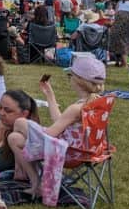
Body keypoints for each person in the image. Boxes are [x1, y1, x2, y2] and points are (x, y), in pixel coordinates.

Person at [8, 56, 107, 198]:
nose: (69, 79)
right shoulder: (97, 103)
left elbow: (50, 134)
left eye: (70, 76)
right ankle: (35, 182)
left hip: (69, 153)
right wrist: (49, 94)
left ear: (78, 81)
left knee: (19, 123)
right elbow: (60, 121)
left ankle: (29, 177)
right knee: (14, 138)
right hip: (87, 150)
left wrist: (28, 127)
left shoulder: (76, 108)